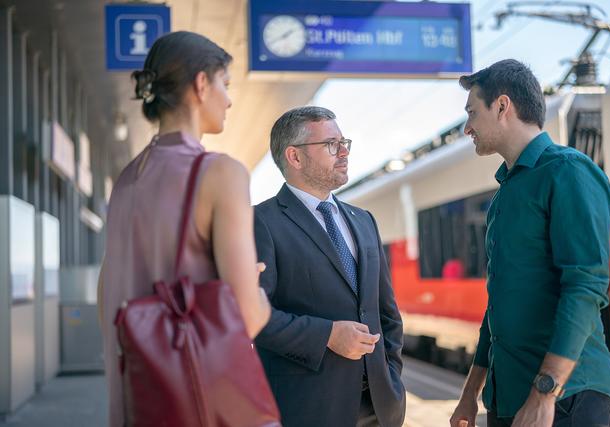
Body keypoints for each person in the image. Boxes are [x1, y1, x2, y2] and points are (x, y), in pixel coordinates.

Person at [97, 31, 271, 427]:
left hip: (136, 403)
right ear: (201, 83)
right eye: (226, 84)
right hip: (196, 402)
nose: (228, 100)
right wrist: (254, 288)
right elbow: (247, 316)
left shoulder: (125, 181)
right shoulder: (219, 173)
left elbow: (108, 294)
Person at [449, 59, 610, 427]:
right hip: (508, 395)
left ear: (503, 106)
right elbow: (499, 306)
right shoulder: (506, 193)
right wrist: (469, 396)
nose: (467, 128)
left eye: (472, 113)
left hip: (566, 397)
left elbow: (586, 285)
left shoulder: (567, 171)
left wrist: (545, 393)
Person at [253, 106, 406, 427]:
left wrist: (391, 372)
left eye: (344, 142)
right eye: (331, 144)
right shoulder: (259, 222)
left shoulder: (363, 220)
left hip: (380, 407)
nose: (344, 152)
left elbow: (385, 311)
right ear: (294, 157)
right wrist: (326, 335)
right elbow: (253, 318)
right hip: (308, 408)